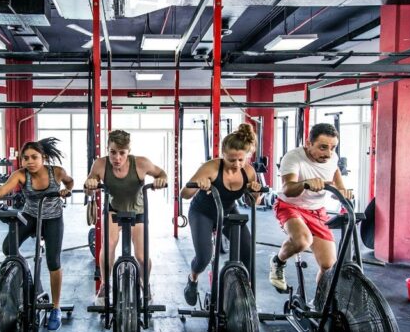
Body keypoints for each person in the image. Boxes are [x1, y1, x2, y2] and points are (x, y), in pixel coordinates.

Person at [0, 138, 74, 331]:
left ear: (43, 157)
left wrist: (66, 190)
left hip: (53, 218)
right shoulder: (21, 175)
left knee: (53, 262)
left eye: (34, 157)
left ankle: (55, 308)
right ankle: (27, 273)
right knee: (8, 248)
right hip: (30, 216)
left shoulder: (57, 172)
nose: (30, 161)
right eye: (25, 158)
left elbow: (70, 182)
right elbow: (1, 191)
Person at [180, 123, 263, 306]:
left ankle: (243, 294)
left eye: (241, 159)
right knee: (204, 257)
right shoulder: (210, 167)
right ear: (222, 154)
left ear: (247, 156)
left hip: (227, 212)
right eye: (231, 160)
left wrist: (256, 194)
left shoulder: (249, 172)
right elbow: (184, 194)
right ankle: (192, 279)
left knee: (247, 252)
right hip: (203, 212)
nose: (236, 164)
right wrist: (199, 184)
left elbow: (252, 203)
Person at [84, 130, 168, 306]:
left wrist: (161, 180)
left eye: (122, 153)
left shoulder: (141, 163)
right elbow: (89, 189)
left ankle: (145, 282)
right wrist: (90, 184)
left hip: (137, 212)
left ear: (129, 151)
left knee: (142, 256)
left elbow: (162, 174)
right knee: (108, 248)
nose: (117, 158)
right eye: (113, 152)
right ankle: (106, 285)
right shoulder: (100, 164)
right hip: (113, 210)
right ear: (108, 149)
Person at [269, 123, 354, 294]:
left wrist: (341, 188)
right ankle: (278, 262)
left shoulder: (332, 157)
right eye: (323, 147)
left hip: (316, 210)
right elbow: (288, 188)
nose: (328, 153)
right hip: (290, 206)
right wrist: (305, 183)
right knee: (302, 241)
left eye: (332, 147)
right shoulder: (293, 158)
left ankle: (319, 302)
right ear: (308, 143)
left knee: (328, 265)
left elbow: (334, 168)